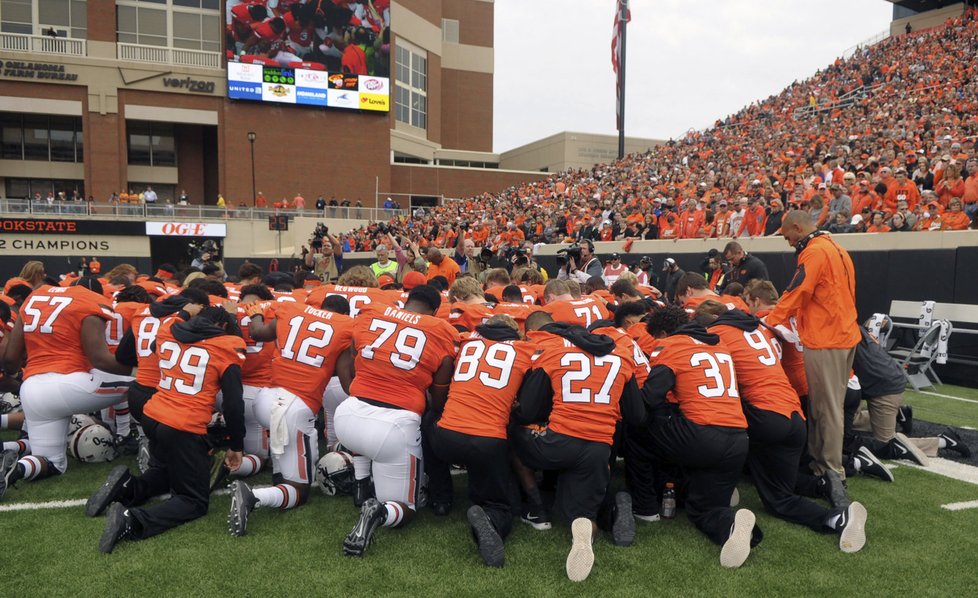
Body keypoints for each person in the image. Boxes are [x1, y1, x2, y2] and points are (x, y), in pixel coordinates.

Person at [701, 302, 866, 552]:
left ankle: (835, 519)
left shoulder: (719, 334)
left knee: (778, 497)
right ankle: (822, 484)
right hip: (794, 413)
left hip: (765, 414)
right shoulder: (759, 328)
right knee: (777, 475)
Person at [88, 306, 246, 553]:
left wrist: (184, 313)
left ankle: (127, 487)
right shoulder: (227, 345)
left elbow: (153, 348)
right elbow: (234, 404)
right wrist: (236, 445)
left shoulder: (167, 331)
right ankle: (134, 521)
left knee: (167, 471)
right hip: (183, 424)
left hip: (153, 415)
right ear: (222, 327)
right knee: (193, 501)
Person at [511, 311, 644, 581]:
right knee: (580, 513)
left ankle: (535, 504)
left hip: (556, 444)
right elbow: (637, 416)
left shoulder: (553, 353)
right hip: (598, 449)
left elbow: (528, 412)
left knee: (511, 429)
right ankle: (585, 529)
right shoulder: (622, 358)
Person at [333, 286, 460, 557]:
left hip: (347, 416)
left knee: (367, 436)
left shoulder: (371, 314)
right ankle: (378, 509)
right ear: (436, 311)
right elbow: (439, 398)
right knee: (405, 509)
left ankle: (361, 485)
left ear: (406, 301)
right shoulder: (441, 330)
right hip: (393, 426)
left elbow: (354, 358)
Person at [639, 306, 758, 568]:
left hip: (701, 435)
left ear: (662, 333)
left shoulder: (671, 346)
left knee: (639, 428)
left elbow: (650, 398)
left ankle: (644, 504)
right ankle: (735, 529)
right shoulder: (720, 345)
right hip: (738, 439)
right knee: (703, 509)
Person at [227, 294, 356, 535]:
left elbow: (257, 332)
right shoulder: (345, 327)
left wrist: (255, 313)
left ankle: (280, 474)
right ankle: (253, 495)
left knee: (288, 447)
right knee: (299, 491)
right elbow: (347, 383)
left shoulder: (290, 310)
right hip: (294, 408)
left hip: (266, 398)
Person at [1, 278, 133, 499]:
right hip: (70, 384)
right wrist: (139, 368)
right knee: (143, 383)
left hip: (32, 389)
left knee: (54, 463)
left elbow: (11, 360)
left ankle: (16, 470)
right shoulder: (90, 301)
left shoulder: (35, 297)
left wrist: (18, 376)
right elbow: (99, 359)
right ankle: (129, 435)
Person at [763, 210, 860, 502]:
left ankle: (831, 471)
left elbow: (797, 291)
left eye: (786, 234)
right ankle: (821, 464)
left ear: (796, 227)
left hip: (827, 338)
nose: (786, 240)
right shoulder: (836, 248)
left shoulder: (815, 252)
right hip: (843, 335)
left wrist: (770, 319)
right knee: (826, 406)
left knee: (826, 409)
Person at [428, 315, 536, 567]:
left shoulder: (465, 343)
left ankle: (440, 496)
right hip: (488, 442)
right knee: (502, 503)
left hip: (446, 438)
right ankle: (490, 516)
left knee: (427, 420)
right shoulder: (527, 350)